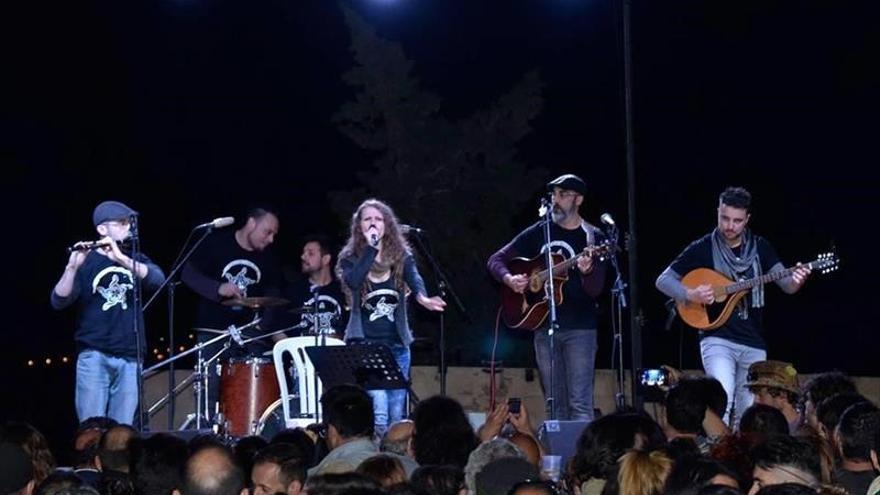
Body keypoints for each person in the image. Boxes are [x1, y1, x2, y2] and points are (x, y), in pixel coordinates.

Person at [656, 187, 810, 426]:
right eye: (725, 218)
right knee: (722, 401)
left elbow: (787, 285)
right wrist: (690, 293)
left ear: (747, 219)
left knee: (749, 409)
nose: (730, 226)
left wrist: (797, 280)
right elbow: (663, 280)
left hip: (753, 339)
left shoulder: (761, 248)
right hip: (716, 336)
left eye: (737, 221)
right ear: (718, 212)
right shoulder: (703, 247)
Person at [487, 174, 607, 421]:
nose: (556, 200)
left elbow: (595, 290)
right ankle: (558, 457)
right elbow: (495, 260)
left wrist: (588, 271)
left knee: (580, 404)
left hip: (580, 328)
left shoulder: (594, 237)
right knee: (555, 404)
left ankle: (581, 459)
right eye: (554, 194)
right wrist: (510, 279)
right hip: (543, 327)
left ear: (579, 199)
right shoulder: (540, 232)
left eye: (563, 195)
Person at [336, 199, 446, 438]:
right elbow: (354, 281)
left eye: (378, 219)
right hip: (366, 347)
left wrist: (423, 297)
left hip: (397, 346)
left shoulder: (401, 255)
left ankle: (394, 462)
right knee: (380, 411)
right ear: (359, 226)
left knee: (397, 416)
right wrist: (371, 249)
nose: (373, 223)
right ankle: (377, 461)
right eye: (368, 219)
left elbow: (414, 278)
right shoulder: (350, 258)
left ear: (387, 224)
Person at [51, 201, 165, 424]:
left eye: (129, 222)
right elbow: (59, 300)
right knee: (91, 429)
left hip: (131, 356)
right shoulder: (88, 260)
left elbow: (158, 280)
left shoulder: (135, 259)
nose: (129, 227)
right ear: (102, 229)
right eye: (122, 223)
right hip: (95, 354)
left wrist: (120, 259)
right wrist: (72, 267)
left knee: (121, 433)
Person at [181, 206, 282, 414]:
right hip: (213, 333)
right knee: (208, 394)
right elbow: (188, 275)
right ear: (251, 223)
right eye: (268, 232)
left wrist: (264, 325)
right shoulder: (216, 243)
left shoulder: (268, 257)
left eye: (274, 234)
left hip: (247, 336)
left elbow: (273, 294)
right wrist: (218, 288)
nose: (271, 239)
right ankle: (206, 438)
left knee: (247, 396)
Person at [280, 235, 348, 339]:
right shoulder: (294, 291)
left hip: (335, 353)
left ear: (325, 259)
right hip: (301, 352)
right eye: (303, 253)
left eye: (310, 253)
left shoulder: (342, 291)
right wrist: (291, 351)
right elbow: (279, 331)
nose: (303, 257)